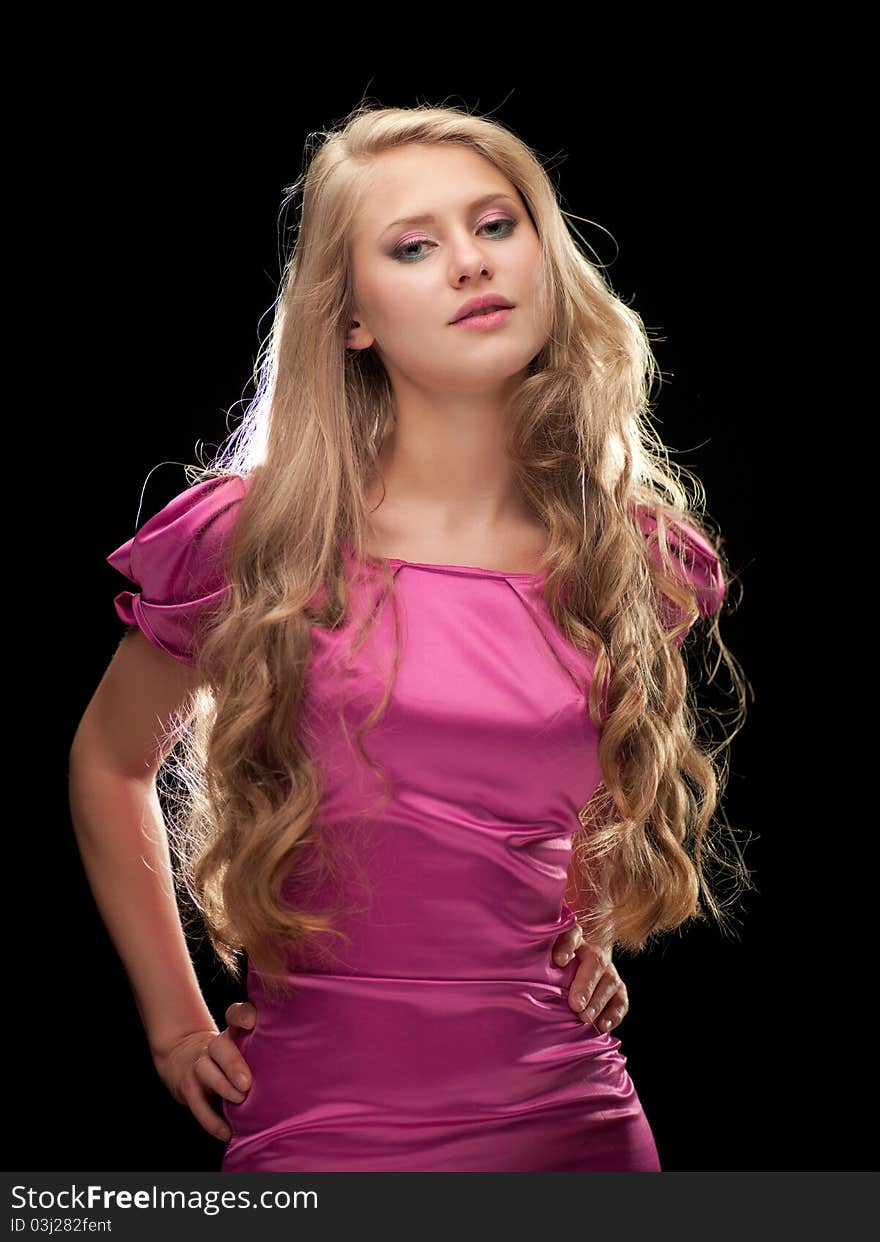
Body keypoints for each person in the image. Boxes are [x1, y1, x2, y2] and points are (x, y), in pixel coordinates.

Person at [69, 103, 747, 1173]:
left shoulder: (633, 556)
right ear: (352, 320)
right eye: (414, 246)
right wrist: (175, 1024)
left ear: (546, 258)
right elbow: (110, 763)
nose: (470, 264)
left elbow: (581, 779)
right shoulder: (259, 540)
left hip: (574, 1118)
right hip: (324, 1125)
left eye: (496, 224)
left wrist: (593, 917)